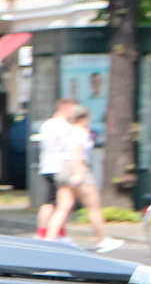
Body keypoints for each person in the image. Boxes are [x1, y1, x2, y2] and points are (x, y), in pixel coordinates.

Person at [37, 97, 120, 250]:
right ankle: (103, 238)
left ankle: (49, 238)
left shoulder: (68, 130)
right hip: (78, 168)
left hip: (63, 168)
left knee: (62, 206)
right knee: (93, 206)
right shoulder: (81, 132)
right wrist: (79, 174)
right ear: (85, 118)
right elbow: (78, 154)